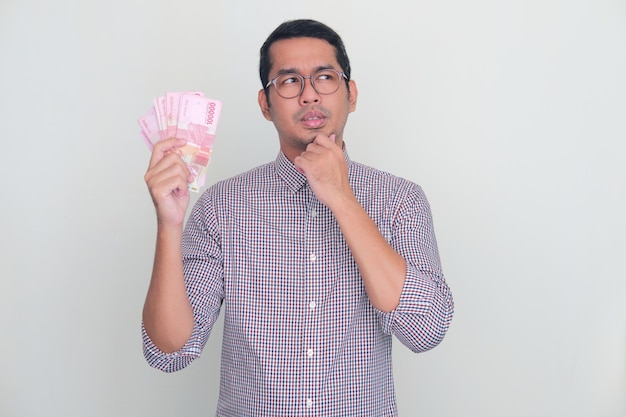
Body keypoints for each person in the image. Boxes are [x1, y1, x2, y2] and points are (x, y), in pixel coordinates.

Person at [142, 18, 454, 417]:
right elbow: (169, 352)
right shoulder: (220, 208)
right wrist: (169, 225)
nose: (309, 95)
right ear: (265, 104)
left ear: (351, 94)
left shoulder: (400, 200)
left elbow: (425, 329)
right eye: (289, 81)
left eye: (325, 77)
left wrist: (341, 197)